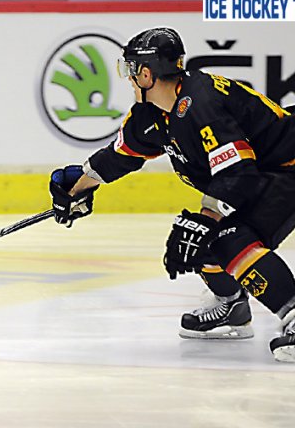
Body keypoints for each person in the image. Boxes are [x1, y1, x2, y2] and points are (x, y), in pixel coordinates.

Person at [48, 27, 295, 363]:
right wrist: (76, 189)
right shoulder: (152, 113)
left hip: (286, 168)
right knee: (201, 239)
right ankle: (232, 306)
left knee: (227, 238)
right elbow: (121, 155)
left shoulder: (202, 104)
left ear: (147, 73)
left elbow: (237, 172)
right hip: (259, 175)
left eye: (131, 71)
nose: (130, 79)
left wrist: (206, 219)